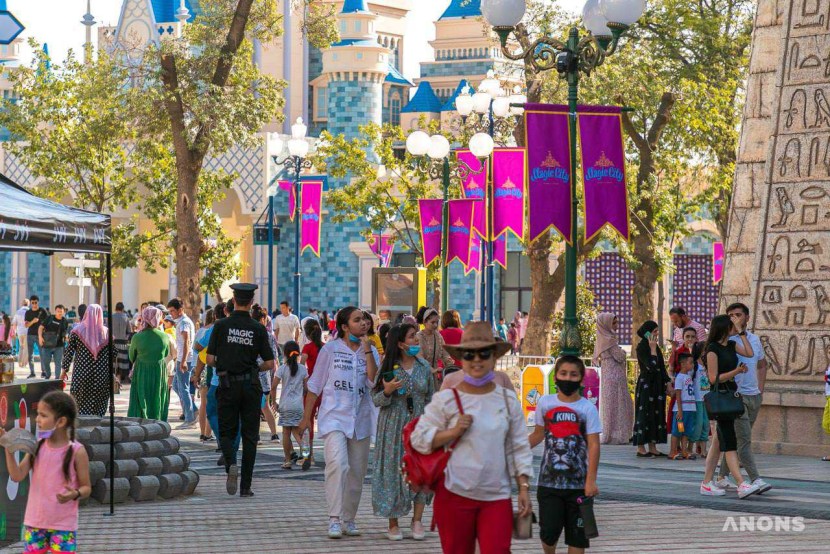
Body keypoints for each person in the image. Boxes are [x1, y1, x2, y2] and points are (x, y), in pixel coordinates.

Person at [411, 321, 532, 553]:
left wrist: (524, 488)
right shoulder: (447, 399)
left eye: (483, 353)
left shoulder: (506, 400)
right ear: (461, 358)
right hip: (454, 495)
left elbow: (518, 447)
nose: (477, 360)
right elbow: (419, 439)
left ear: (494, 358)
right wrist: (452, 432)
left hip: (496, 496)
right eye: (470, 354)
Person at [298, 306, 379, 539]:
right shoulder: (330, 350)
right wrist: (306, 419)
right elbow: (314, 386)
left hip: (361, 420)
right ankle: (334, 518)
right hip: (334, 417)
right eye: (357, 320)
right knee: (337, 463)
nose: (363, 323)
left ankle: (349, 518)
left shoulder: (372, 351)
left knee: (357, 472)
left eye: (364, 319)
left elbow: (374, 382)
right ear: (344, 327)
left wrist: (367, 352)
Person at [206, 283, 275, 498]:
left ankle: (231, 464)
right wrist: (254, 367)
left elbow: (209, 359)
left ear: (233, 300)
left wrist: (226, 363)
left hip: (227, 384)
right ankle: (246, 486)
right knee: (250, 435)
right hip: (251, 386)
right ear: (252, 302)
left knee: (227, 431)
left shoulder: (220, 326)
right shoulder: (258, 328)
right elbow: (270, 363)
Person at [0, 391, 91, 553]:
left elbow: (86, 488)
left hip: (63, 526)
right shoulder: (37, 445)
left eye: (43, 415)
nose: (37, 419)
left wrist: (74, 494)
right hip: (35, 523)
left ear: (61, 421)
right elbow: (17, 475)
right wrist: (9, 449)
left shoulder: (78, 451)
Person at [528, 355, 601, 554]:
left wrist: (591, 481)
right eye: (563, 373)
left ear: (581, 379)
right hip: (548, 482)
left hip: (579, 485)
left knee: (578, 539)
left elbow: (594, 445)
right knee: (548, 536)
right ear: (555, 377)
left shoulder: (587, 408)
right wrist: (515, 450)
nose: (567, 378)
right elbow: (538, 434)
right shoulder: (545, 403)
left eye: (573, 374)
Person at [371, 323, 434, 541]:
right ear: (400, 343)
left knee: (421, 471)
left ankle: (417, 520)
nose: (416, 340)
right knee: (393, 470)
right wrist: (387, 392)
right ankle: (393, 523)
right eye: (411, 337)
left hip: (419, 424)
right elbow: (376, 398)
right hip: (393, 425)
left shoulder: (424, 366)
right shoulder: (388, 366)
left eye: (416, 336)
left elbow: (430, 398)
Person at [699, 314, 761, 499]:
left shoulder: (732, 345)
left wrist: (742, 333)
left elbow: (750, 354)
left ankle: (706, 482)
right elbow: (713, 379)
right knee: (729, 442)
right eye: (732, 325)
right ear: (724, 328)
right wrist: (737, 371)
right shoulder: (712, 349)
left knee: (718, 443)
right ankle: (741, 483)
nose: (735, 327)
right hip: (722, 397)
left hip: (732, 394)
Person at [716, 303, 772, 494]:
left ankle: (722, 476)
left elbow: (762, 364)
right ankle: (755, 478)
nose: (734, 318)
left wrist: (760, 389)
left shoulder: (754, 340)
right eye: (730, 315)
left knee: (738, 439)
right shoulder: (727, 342)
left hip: (753, 395)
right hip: (736, 396)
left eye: (738, 315)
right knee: (744, 440)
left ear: (747, 317)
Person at [61, 305, 112, 417]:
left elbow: (69, 353)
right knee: (99, 409)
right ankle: (97, 432)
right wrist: (112, 374)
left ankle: (82, 433)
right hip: (102, 377)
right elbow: (112, 355)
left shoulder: (76, 331)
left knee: (79, 408)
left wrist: (63, 372)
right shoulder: (107, 333)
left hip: (82, 375)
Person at [592, 313, 633, 445]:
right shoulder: (610, 340)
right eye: (614, 323)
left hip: (607, 375)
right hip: (616, 375)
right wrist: (623, 352)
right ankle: (620, 435)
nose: (616, 325)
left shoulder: (601, 339)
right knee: (620, 405)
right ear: (606, 324)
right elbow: (619, 357)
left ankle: (610, 433)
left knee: (610, 406)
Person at [631, 321, 670, 457]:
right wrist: (652, 350)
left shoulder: (656, 347)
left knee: (656, 414)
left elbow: (661, 367)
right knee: (645, 413)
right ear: (647, 333)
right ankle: (641, 448)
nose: (656, 334)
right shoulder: (642, 347)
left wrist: (667, 382)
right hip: (647, 385)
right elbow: (651, 366)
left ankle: (653, 446)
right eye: (654, 332)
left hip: (657, 386)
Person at [127, 306, 171, 421]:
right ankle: (158, 422)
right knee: (157, 397)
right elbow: (166, 353)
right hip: (159, 371)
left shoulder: (137, 337)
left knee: (141, 397)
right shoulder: (164, 336)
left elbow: (132, 357)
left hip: (141, 371)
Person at [272, 340, 308, 469]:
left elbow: (274, 386)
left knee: (286, 433)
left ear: (285, 354)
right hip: (298, 405)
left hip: (285, 405)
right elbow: (306, 388)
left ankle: (287, 460)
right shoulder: (303, 369)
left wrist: (274, 402)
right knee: (299, 432)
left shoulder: (282, 369)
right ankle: (305, 455)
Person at [167, 298, 196, 429]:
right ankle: (193, 410)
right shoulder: (182, 322)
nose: (171, 314)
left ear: (180, 310)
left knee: (183, 388)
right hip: (182, 358)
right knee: (176, 386)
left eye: (172, 311)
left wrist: (183, 360)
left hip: (185, 359)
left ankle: (190, 419)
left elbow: (187, 342)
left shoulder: (184, 322)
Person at [251, 305, 279, 442]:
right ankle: (274, 434)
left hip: (252, 375)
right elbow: (274, 357)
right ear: (262, 318)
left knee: (254, 407)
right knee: (265, 406)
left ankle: (256, 436)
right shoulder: (269, 335)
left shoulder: (249, 333)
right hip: (265, 375)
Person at [300, 318, 324, 468]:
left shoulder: (307, 348)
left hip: (311, 389)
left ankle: (309, 455)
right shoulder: (326, 347)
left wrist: (304, 383)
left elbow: (302, 367)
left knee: (308, 421)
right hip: (325, 389)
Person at [415, 307, 454, 389]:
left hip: (435, 377)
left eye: (437, 322)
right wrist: (432, 369)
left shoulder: (438, 336)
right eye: (432, 322)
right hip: (421, 375)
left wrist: (451, 367)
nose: (435, 325)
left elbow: (445, 353)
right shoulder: (419, 336)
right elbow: (419, 357)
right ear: (425, 322)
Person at [192, 308, 216, 440]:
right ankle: (208, 432)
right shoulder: (216, 329)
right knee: (212, 402)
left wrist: (196, 372)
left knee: (203, 403)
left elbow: (195, 349)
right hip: (211, 366)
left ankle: (203, 433)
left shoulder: (201, 331)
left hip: (201, 366)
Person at [668, 353, 697, 460]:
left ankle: (684, 450)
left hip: (690, 409)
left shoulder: (688, 375)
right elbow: (678, 394)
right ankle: (672, 451)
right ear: (683, 364)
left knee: (686, 431)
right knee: (678, 430)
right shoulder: (679, 377)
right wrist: (680, 410)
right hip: (682, 410)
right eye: (690, 362)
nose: (692, 365)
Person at [690, 341, 711, 457]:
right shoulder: (695, 365)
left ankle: (703, 449)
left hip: (707, 398)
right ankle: (691, 446)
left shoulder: (708, 364)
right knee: (698, 423)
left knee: (706, 423)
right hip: (697, 398)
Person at [38, 305, 69, 380]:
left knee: (58, 363)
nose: (59, 313)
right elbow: (41, 327)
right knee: (45, 362)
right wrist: (40, 337)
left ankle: (57, 379)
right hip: (47, 344)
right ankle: (48, 375)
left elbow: (65, 332)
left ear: (64, 312)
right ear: (55, 311)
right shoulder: (49, 318)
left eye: (61, 312)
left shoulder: (65, 321)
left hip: (59, 346)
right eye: (58, 311)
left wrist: (67, 337)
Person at [24, 296, 48, 378]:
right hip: (30, 335)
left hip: (40, 335)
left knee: (42, 354)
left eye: (36, 302)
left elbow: (48, 321)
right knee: (30, 355)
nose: (34, 304)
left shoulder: (42, 311)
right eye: (32, 303)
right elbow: (26, 325)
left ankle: (43, 371)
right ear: (30, 303)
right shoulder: (28, 312)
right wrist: (33, 321)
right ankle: (32, 372)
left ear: (38, 302)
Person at [112, 302, 132, 385]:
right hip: (123, 344)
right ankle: (119, 380)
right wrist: (126, 338)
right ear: (123, 309)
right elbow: (129, 331)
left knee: (113, 363)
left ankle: (114, 381)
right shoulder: (126, 317)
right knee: (121, 364)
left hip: (113, 343)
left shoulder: (111, 317)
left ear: (115, 308)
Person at [14, 299, 29, 371]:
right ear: (28, 304)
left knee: (21, 347)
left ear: (22, 304)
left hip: (19, 332)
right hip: (27, 331)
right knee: (26, 348)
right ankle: (24, 363)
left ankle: (19, 363)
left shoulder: (18, 311)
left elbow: (14, 323)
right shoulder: (30, 311)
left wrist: (15, 332)